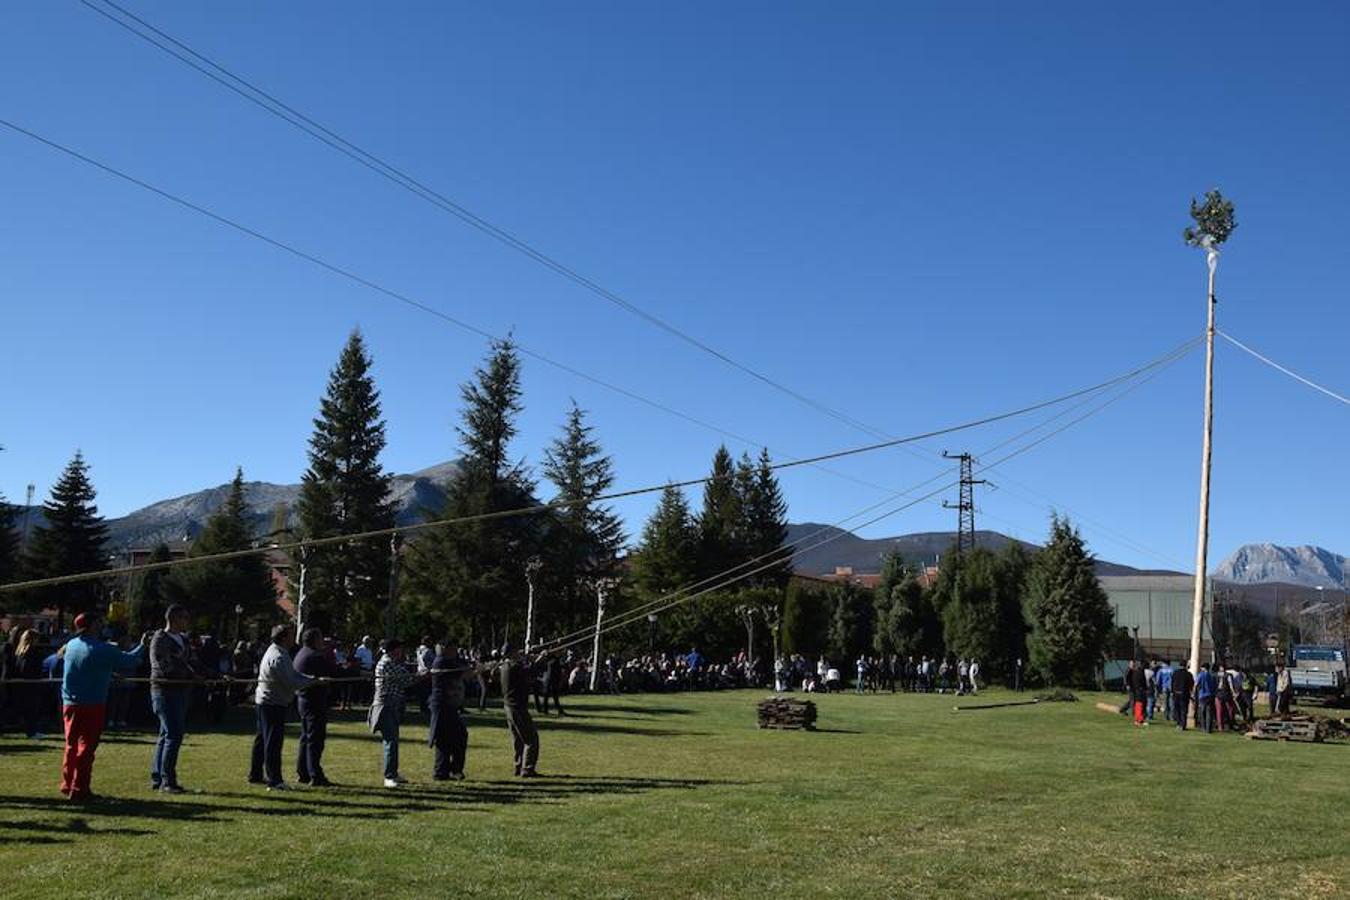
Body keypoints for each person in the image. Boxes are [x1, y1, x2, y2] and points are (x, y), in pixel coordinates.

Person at [59, 613, 149, 801]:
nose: (102, 626)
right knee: (86, 747)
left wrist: (107, 673)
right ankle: (80, 788)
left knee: (71, 746)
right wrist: (143, 644)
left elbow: (83, 666)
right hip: (92, 704)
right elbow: (131, 660)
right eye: (99, 622)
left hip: (69, 703)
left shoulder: (71, 645)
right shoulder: (103, 649)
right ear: (92, 625)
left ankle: (67, 784)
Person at [249, 625, 316, 791]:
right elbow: (291, 681)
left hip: (265, 701)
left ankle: (255, 774)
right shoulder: (278, 656)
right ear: (284, 638)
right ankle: (275, 781)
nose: (294, 639)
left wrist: (311, 678)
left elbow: (293, 675)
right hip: (272, 704)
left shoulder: (276, 651)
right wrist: (313, 682)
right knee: (273, 742)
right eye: (292, 635)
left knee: (262, 739)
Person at [149, 605, 207, 793]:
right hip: (165, 692)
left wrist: (215, 675)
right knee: (174, 735)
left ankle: (158, 777)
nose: (187, 621)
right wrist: (192, 677)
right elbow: (165, 667)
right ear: (173, 618)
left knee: (166, 735)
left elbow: (194, 662)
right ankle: (167, 781)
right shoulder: (160, 640)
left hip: (181, 692)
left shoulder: (183, 639)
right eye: (184, 617)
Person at [367, 638, 421, 788]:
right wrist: (421, 676)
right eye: (400, 649)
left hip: (392, 705)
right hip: (385, 705)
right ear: (394, 649)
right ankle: (389, 776)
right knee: (390, 741)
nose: (401, 652)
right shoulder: (387, 663)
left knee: (393, 740)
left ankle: (393, 773)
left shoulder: (393, 662)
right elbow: (406, 681)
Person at [294, 627, 338, 787]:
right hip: (314, 701)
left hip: (304, 700)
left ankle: (303, 772)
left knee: (306, 737)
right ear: (315, 640)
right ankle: (315, 774)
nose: (323, 642)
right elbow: (333, 671)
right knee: (315, 739)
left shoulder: (301, 653)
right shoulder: (315, 656)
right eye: (320, 639)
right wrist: (358, 672)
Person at [428, 641, 469, 780]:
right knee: (451, 737)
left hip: (448, 704)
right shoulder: (441, 662)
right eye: (453, 648)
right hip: (442, 704)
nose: (455, 651)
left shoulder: (450, 661)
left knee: (449, 738)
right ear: (446, 649)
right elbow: (462, 673)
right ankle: (445, 771)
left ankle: (445, 771)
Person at [499, 645, 542, 777]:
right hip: (517, 707)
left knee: (518, 739)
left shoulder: (505, 666)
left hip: (509, 706)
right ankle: (527, 768)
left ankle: (518, 766)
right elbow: (531, 674)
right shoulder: (514, 667)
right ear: (512, 653)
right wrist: (539, 660)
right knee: (531, 739)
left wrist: (527, 659)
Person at [13, 629, 48, 739]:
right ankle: (32, 732)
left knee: (28, 709)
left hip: (23, 685)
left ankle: (31, 730)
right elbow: (31, 669)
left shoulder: (19, 652)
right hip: (32, 684)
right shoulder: (32, 652)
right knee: (32, 709)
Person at [1195, 662, 1217, 734]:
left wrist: (1194, 692)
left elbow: (1196, 684)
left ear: (1203, 668)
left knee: (1202, 712)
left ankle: (1203, 727)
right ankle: (1208, 728)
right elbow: (1215, 686)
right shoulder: (1212, 676)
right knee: (1209, 712)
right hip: (1210, 695)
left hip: (1203, 695)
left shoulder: (1201, 675)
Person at [1171, 663, 1194, 731]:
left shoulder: (1175, 673)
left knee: (1177, 709)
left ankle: (1178, 723)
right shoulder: (1188, 674)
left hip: (1176, 693)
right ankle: (1183, 725)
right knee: (1184, 710)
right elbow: (1191, 684)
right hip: (1184, 694)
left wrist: (1173, 691)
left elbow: (1172, 683)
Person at [1125, 659, 1147, 727]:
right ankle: (1139, 720)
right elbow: (1143, 681)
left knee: (1138, 705)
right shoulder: (1139, 671)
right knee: (1140, 705)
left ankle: (1138, 719)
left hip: (1136, 689)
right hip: (1139, 689)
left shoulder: (1133, 671)